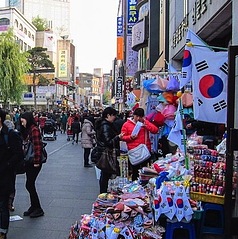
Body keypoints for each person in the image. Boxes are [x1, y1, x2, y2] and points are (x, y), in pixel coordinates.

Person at [0, 109, 24, 239]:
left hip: (4, 176)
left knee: (3, 205)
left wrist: (7, 166)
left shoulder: (10, 134)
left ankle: (2, 232)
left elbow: (18, 154)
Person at [121, 107, 159, 181]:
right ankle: (135, 187)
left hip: (145, 151)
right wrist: (130, 137)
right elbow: (122, 137)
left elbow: (155, 130)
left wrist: (146, 124)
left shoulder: (144, 123)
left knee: (145, 172)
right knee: (135, 172)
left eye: (140, 117)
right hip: (134, 152)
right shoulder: (126, 124)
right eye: (137, 116)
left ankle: (144, 187)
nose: (138, 118)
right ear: (133, 115)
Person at [20, 111, 44, 218]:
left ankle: (38, 208)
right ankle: (33, 206)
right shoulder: (29, 130)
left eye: (23, 121)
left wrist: (36, 161)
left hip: (34, 161)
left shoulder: (34, 130)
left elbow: (37, 146)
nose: (22, 123)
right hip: (30, 161)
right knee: (29, 184)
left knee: (29, 184)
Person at [95, 107, 124, 193]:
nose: (114, 117)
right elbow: (108, 141)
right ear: (108, 115)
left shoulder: (105, 124)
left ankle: (103, 192)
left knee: (105, 174)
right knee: (105, 174)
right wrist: (118, 137)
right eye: (113, 115)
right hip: (106, 153)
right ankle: (103, 193)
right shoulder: (105, 126)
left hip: (103, 152)